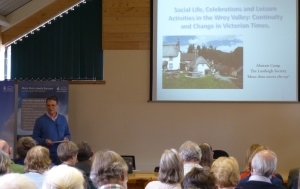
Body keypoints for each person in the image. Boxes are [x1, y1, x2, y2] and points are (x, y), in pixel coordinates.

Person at [32, 95, 71, 165]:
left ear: (57, 106)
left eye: (53, 105)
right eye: (48, 105)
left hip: (62, 154)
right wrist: (45, 141)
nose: (50, 108)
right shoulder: (40, 121)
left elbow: (68, 134)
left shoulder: (63, 119)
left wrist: (66, 138)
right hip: (46, 155)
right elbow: (35, 138)